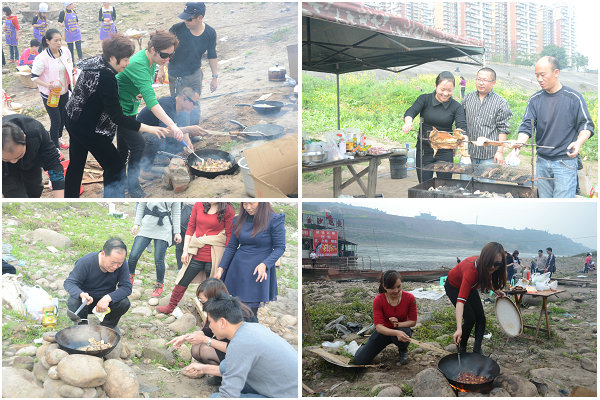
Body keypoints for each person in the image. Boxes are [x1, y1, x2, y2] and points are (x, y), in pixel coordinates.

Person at [64, 34, 168, 198]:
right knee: (115, 165)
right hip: (88, 127)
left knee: (76, 164)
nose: (127, 63)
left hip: (72, 117)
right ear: (112, 57)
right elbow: (117, 117)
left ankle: (70, 198)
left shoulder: (96, 63)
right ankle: (114, 199)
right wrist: (149, 128)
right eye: (125, 59)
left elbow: (96, 96)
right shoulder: (107, 76)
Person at [183, 293, 298, 398]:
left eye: (211, 322)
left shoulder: (240, 344)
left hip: (286, 395)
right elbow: (232, 369)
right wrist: (204, 369)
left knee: (215, 397)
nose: (210, 327)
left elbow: (228, 396)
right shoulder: (251, 328)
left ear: (222, 322)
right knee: (225, 366)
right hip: (281, 385)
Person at [116, 30, 184, 197]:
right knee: (138, 145)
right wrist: (173, 126)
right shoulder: (139, 64)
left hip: (129, 107)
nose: (167, 60)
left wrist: (136, 92)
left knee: (123, 150)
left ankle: (120, 183)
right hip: (118, 110)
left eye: (170, 56)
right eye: (164, 55)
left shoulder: (151, 59)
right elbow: (152, 102)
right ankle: (133, 188)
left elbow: (139, 86)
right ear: (152, 49)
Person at [514, 56, 595, 198]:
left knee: (562, 207)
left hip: (565, 162)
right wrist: (519, 143)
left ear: (556, 72)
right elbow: (527, 126)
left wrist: (578, 142)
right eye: (537, 75)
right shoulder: (535, 99)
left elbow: (586, 125)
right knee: (546, 205)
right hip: (542, 162)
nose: (539, 79)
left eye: (542, 75)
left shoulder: (574, 98)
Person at [166, 278, 257, 386]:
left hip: (245, 355)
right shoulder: (216, 310)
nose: (200, 304)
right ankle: (220, 375)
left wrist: (206, 340)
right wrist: (184, 337)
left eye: (202, 301)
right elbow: (205, 332)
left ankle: (229, 378)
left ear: (214, 298)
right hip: (230, 348)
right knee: (196, 348)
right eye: (199, 300)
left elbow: (237, 348)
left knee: (204, 349)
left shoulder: (238, 314)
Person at [157, 202, 234, 314]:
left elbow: (229, 236)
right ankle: (171, 307)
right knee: (182, 279)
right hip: (196, 250)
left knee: (211, 289)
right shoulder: (199, 205)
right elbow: (190, 227)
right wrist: (185, 251)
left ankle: (210, 317)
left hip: (215, 253)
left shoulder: (228, 209)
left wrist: (223, 264)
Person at [215, 202, 286, 320]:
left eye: (251, 203)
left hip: (258, 271)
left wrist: (265, 264)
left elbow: (280, 247)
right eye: (244, 204)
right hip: (237, 269)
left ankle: (251, 336)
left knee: (249, 313)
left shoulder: (274, 220)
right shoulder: (238, 220)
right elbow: (232, 246)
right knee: (233, 309)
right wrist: (221, 268)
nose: (248, 207)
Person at [402, 71, 468, 183]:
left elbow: (462, 127)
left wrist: (464, 150)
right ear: (436, 86)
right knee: (424, 185)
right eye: (442, 89)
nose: (446, 93)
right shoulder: (424, 99)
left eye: (449, 90)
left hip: (445, 152)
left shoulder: (456, 107)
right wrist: (408, 122)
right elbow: (411, 111)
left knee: (444, 185)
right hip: (424, 151)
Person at [445, 242, 507, 354]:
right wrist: (459, 329)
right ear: (484, 259)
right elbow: (460, 302)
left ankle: (477, 349)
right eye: (490, 263)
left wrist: (496, 290)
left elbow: (487, 278)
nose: (493, 267)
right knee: (470, 318)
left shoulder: (486, 268)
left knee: (481, 318)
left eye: (497, 264)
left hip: (471, 288)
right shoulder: (471, 270)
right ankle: (462, 348)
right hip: (453, 287)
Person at [63, 238, 132, 333]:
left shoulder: (122, 263)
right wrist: (81, 294)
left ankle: (108, 325)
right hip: (86, 302)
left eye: (119, 263)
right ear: (103, 253)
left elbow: (127, 287)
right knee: (73, 301)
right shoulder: (86, 262)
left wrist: (108, 298)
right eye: (112, 263)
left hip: (106, 304)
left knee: (124, 303)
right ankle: (81, 325)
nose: (116, 266)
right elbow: (69, 282)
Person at [137, 87, 206, 175]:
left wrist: (188, 142)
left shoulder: (182, 110)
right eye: (194, 103)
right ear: (184, 98)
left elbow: (182, 129)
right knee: (156, 137)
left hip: (158, 131)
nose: (195, 106)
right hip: (140, 134)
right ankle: (144, 169)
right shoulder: (166, 104)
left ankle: (160, 157)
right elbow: (166, 132)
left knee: (178, 140)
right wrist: (189, 129)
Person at [353, 271, 417, 366]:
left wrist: (398, 325)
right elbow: (379, 327)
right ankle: (364, 347)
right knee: (359, 361)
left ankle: (403, 349)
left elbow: (413, 322)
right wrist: (395, 332)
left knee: (403, 332)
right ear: (384, 286)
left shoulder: (410, 298)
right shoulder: (379, 300)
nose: (396, 290)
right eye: (392, 288)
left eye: (399, 286)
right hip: (384, 332)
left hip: (402, 330)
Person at [461, 67, 513, 181]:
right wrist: (462, 149)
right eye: (478, 79)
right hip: (469, 154)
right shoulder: (467, 99)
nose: (480, 82)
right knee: (464, 188)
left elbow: (502, 129)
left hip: (489, 155)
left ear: (493, 83)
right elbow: (461, 123)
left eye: (484, 80)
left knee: (487, 189)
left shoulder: (500, 103)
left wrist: (499, 152)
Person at [159, 2, 218, 103]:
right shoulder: (176, 29)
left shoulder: (210, 33)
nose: (186, 21)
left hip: (195, 74)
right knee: (179, 105)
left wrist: (214, 77)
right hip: (176, 74)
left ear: (200, 18)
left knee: (194, 104)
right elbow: (163, 48)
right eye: (184, 18)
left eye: (189, 19)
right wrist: (161, 69)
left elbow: (212, 56)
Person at [31, 29, 75, 152]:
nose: (59, 43)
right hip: (50, 94)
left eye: (60, 40)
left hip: (64, 91)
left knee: (63, 117)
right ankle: (54, 147)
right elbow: (34, 77)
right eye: (56, 40)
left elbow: (70, 67)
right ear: (48, 41)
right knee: (56, 120)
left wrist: (73, 81)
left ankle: (59, 138)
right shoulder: (42, 58)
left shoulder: (65, 51)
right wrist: (47, 85)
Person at [2, 114, 64, 198]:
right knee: (15, 194)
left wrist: (59, 201)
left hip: (31, 160)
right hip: (4, 169)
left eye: (18, 156)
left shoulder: (35, 131)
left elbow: (53, 162)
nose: (14, 162)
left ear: (24, 137)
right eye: (7, 159)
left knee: (35, 189)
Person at [128, 202, 182, 297]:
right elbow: (141, 205)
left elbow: (176, 213)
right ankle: (129, 279)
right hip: (147, 224)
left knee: (159, 260)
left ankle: (159, 284)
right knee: (133, 255)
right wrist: (136, 224)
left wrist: (177, 232)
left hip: (164, 226)